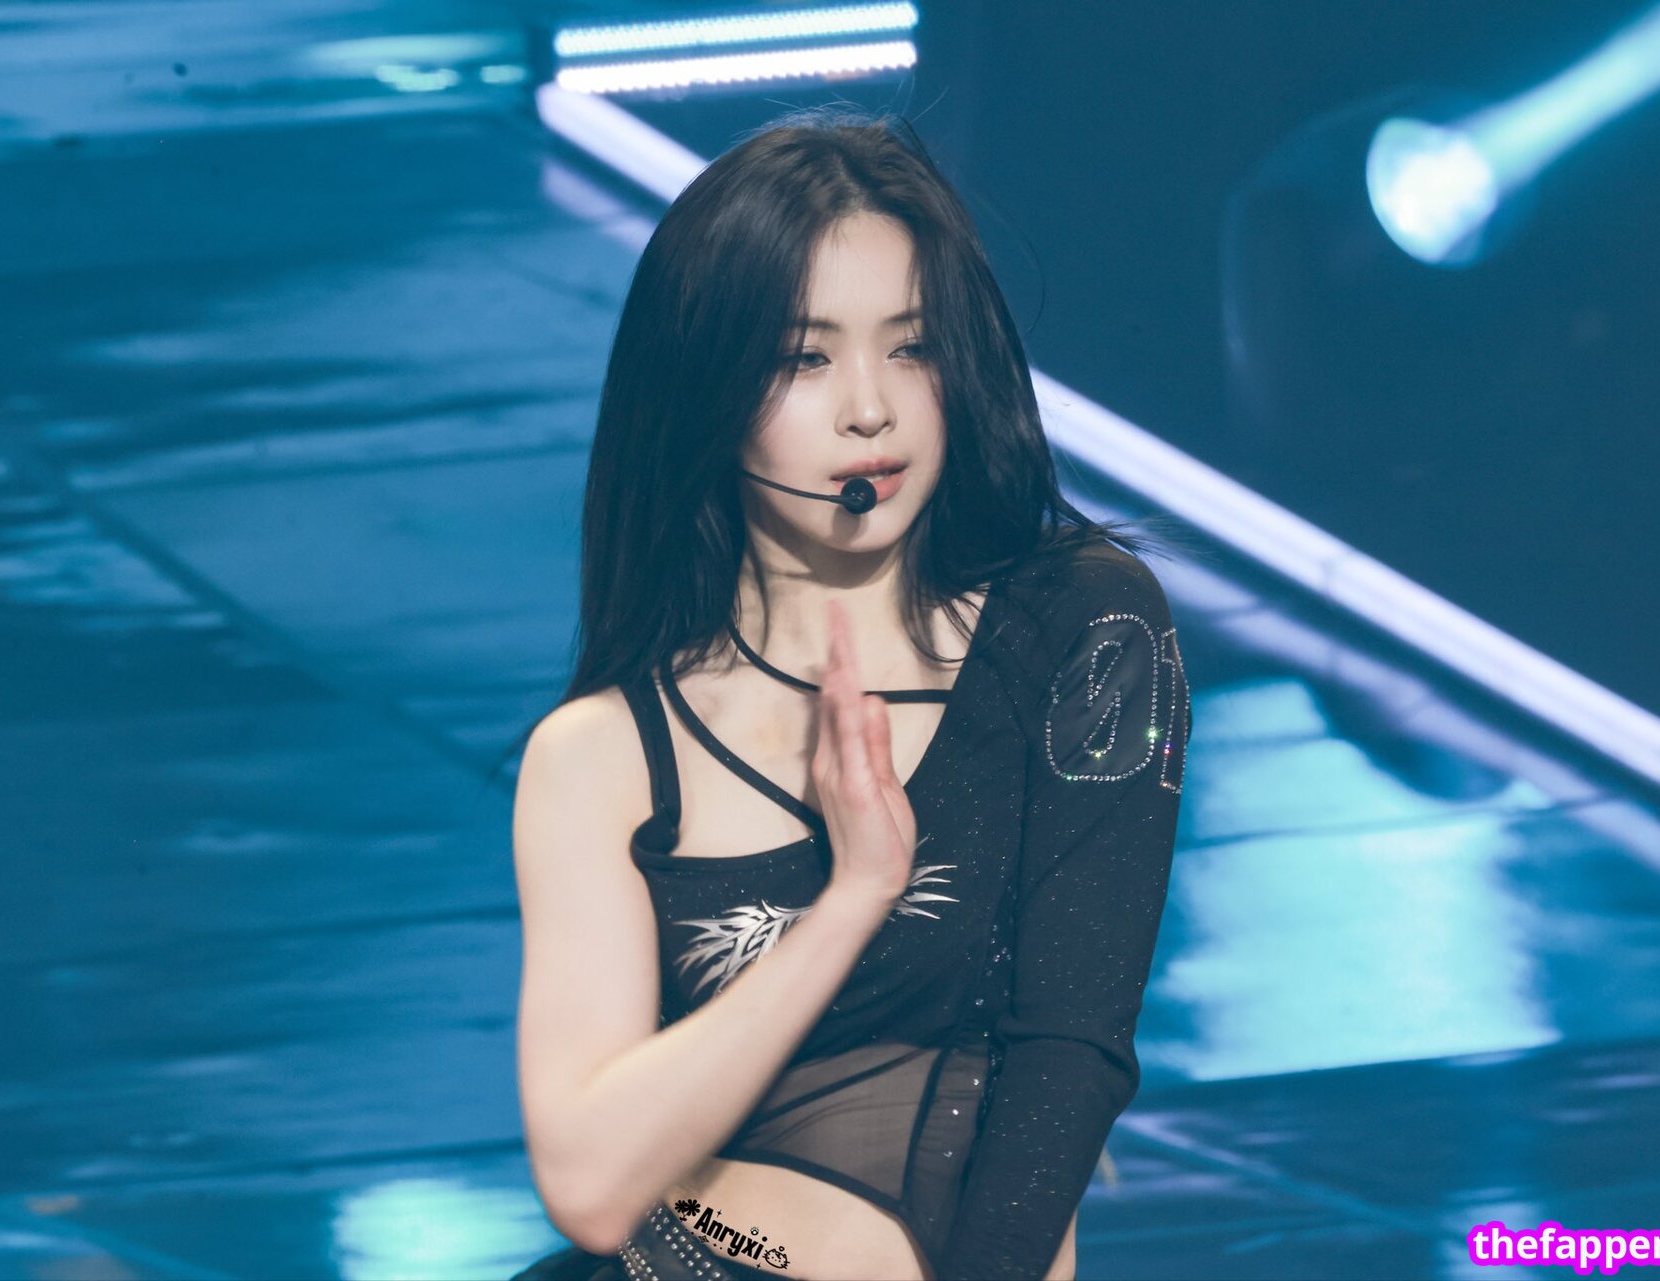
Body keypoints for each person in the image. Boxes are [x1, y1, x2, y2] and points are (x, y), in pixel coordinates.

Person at [506, 105, 1193, 1281]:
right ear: (705, 389)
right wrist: (853, 898)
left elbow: (1071, 1055)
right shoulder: (602, 753)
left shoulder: (1080, 627)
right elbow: (590, 1186)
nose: (869, 407)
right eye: (805, 358)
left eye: (911, 347)